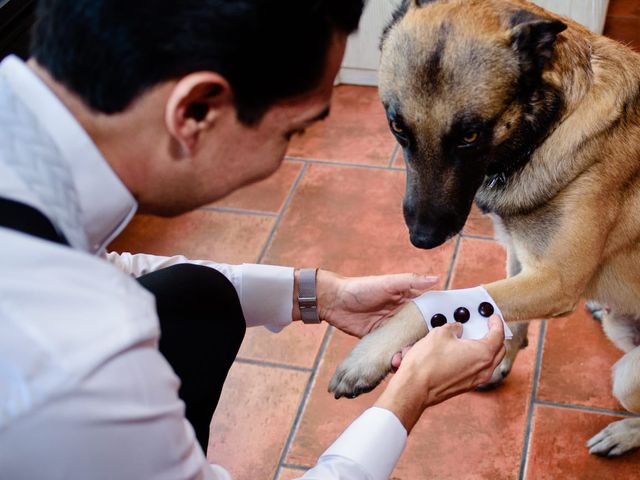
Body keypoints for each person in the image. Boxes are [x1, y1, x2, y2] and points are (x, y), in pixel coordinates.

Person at [0, 1, 506, 479]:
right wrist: (411, 392)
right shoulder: (78, 360)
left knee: (198, 296)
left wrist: (317, 294)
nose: (285, 156)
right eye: (295, 133)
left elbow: (101, 267)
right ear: (196, 110)